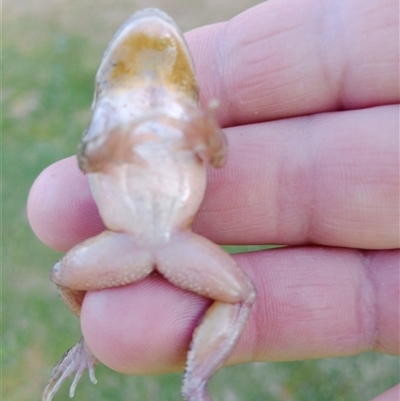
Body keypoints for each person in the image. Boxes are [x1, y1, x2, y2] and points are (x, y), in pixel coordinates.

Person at [28, 0, 399, 400]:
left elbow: (217, 157)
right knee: (64, 275)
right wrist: (117, 142)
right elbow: (88, 158)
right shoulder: (109, 111)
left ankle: (196, 382)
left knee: (239, 293)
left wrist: (206, 136)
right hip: (125, 240)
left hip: (177, 239)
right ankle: (89, 342)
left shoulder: (186, 111)